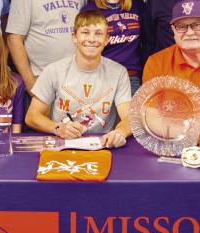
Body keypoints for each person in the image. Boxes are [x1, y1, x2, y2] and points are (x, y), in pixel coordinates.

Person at [26, 10, 131, 148]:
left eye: (98, 34)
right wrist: (58, 128)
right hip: (62, 144)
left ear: (107, 40)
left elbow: (130, 118)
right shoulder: (53, 70)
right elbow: (32, 117)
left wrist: (120, 132)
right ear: (74, 37)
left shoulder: (119, 72)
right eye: (85, 32)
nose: (92, 39)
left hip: (103, 144)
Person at [81, 0, 146, 95]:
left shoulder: (137, 4)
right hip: (101, 75)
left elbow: (148, 40)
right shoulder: (90, 9)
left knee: (131, 117)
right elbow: (85, 49)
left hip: (131, 75)